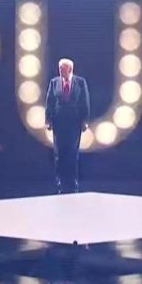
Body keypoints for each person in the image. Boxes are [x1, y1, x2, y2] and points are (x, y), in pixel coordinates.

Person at [44, 58, 90, 194]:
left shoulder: (80, 83)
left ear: (70, 69)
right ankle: (60, 180)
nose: (60, 71)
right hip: (59, 123)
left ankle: (73, 180)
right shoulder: (54, 83)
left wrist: (85, 120)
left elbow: (85, 102)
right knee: (59, 153)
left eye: (62, 69)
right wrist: (48, 120)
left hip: (74, 123)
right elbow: (49, 102)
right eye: (59, 68)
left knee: (72, 153)